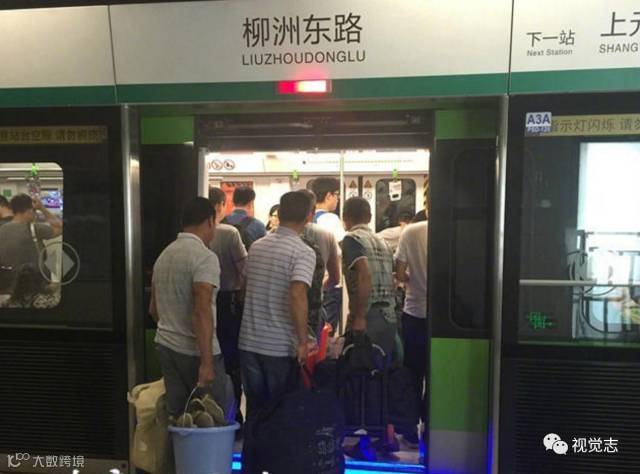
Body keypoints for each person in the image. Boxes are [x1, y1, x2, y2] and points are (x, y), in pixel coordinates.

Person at [238, 191, 316, 433]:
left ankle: (253, 455)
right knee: (280, 414)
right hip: (279, 347)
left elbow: (244, 288)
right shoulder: (303, 252)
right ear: (309, 216)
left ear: (279, 214)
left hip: (249, 342)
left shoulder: (257, 247)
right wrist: (303, 341)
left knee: (255, 412)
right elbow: (297, 294)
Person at [149, 197, 229, 418]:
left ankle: (177, 444)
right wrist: (207, 363)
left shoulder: (164, 255)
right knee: (212, 417)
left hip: (166, 346)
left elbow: (153, 309)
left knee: (178, 416)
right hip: (196, 352)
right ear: (210, 221)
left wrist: (172, 328)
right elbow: (202, 310)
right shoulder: (205, 258)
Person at [208, 187, 248, 426]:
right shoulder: (229, 233)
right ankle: (234, 415)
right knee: (232, 362)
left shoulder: (198, 236)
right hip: (228, 303)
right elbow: (245, 269)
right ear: (220, 205)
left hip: (206, 301)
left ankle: (211, 412)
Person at [342, 197, 397, 359]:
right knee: (381, 367)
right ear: (370, 217)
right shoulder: (384, 242)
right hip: (389, 316)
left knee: (358, 367)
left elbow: (364, 275)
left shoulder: (352, 239)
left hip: (367, 316)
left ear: (345, 219)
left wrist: (359, 317)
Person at [395, 217, 428, 443]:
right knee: (436, 375)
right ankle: (432, 426)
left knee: (412, 375)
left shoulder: (411, 232)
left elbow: (400, 273)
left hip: (414, 313)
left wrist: (413, 279)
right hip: (443, 317)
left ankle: (409, 429)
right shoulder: (453, 229)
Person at [298, 190, 341, 337]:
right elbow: (335, 276)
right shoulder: (329, 225)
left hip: (289, 300)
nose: (337, 199)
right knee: (321, 337)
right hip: (320, 292)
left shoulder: (274, 237)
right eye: (336, 195)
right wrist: (320, 288)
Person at [0, 194, 62, 274]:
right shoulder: (34, 228)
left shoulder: (2, 229)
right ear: (28, 211)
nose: (35, 214)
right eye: (34, 211)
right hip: (34, 277)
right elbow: (60, 227)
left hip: (10, 278)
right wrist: (42, 208)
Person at [310, 177, 345, 242]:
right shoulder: (330, 219)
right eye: (337, 194)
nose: (338, 198)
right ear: (328, 196)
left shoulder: (307, 217)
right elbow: (341, 244)